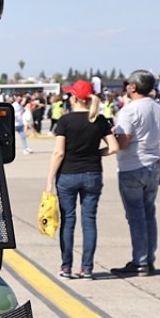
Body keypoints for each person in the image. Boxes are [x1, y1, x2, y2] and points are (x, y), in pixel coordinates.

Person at [45, 81, 118, 280]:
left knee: (68, 220)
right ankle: (87, 269)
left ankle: (66, 267)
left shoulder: (65, 121)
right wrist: (96, 153)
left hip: (67, 175)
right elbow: (114, 147)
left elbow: (59, 152)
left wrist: (49, 180)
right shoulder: (100, 119)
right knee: (89, 221)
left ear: (75, 98)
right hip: (92, 174)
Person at [111, 70, 160, 277]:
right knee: (148, 213)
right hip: (153, 165)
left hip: (132, 166)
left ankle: (140, 261)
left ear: (133, 87)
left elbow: (125, 141)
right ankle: (149, 258)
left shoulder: (129, 111)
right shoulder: (159, 109)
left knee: (135, 215)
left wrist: (110, 140)